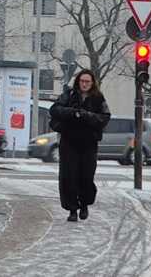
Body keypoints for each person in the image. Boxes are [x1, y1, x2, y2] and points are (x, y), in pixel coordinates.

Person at [49, 69, 110, 222]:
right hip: (69, 142)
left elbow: (105, 117)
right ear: (78, 82)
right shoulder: (68, 95)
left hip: (89, 144)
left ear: (92, 83)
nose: (84, 84)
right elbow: (55, 109)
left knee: (86, 177)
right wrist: (72, 112)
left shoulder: (98, 98)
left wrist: (86, 115)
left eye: (87, 81)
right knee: (68, 177)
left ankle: (84, 204)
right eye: (82, 81)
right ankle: (72, 209)